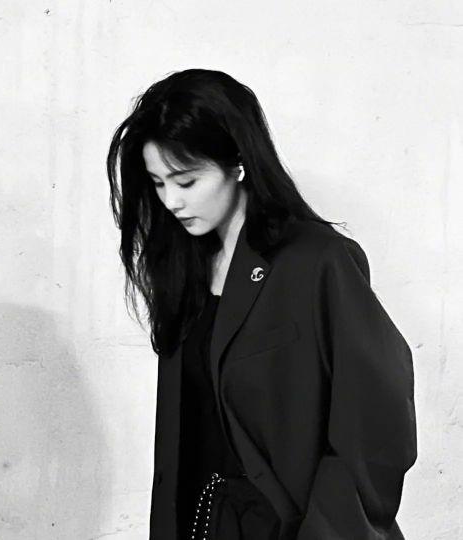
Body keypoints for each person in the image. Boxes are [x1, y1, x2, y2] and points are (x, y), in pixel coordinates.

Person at [106, 68, 418, 540]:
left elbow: (377, 424)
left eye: (186, 182)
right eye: (158, 183)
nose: (171, 201)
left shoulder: (317, 262)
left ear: (237, 163)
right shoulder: (184, 268)